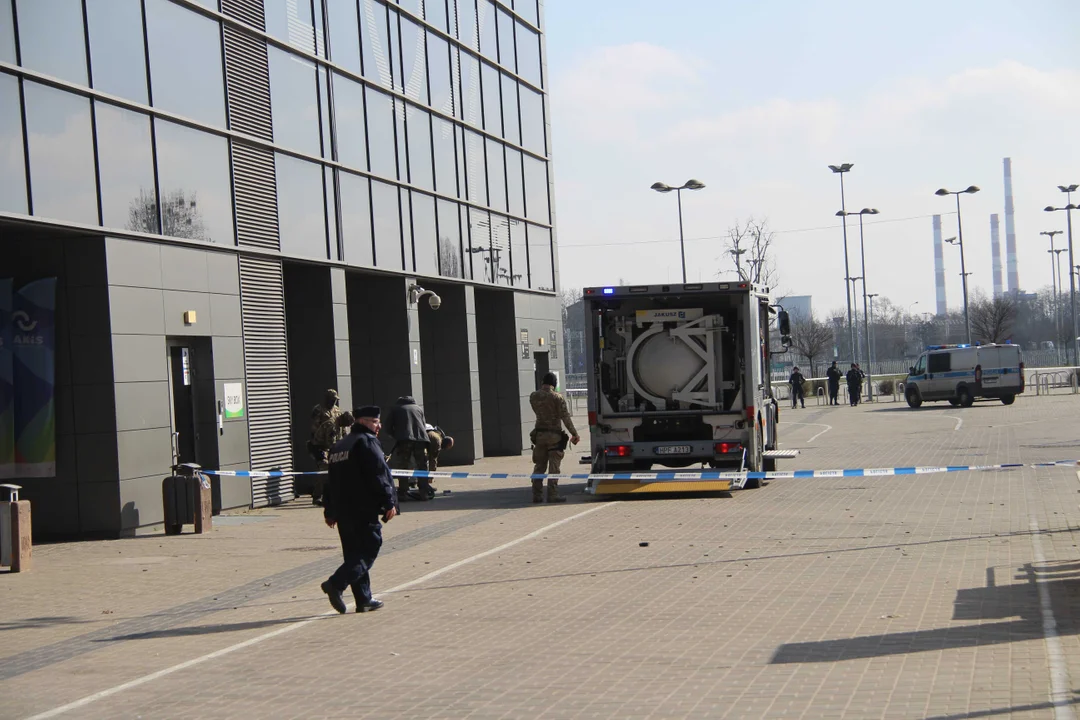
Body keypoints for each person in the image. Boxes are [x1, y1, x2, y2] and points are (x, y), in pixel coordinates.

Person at [321, 405, 397, 614]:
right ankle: (336, 584)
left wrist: (329, 511)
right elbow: (379, 475)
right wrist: (389, 502)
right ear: (362, 422)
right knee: (369, 547)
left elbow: (330, 482)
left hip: (344, 511)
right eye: (374, 422)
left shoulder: (339, 446)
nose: (379, 425)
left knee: (354, 553)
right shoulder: (366, 442)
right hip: (363, 508)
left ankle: (364, 599)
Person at [529, 372, 580, 503]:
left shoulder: (534, 396)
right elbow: (565, 417)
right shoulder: (557, 397)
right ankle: (552, 495)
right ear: (554, 383)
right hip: (554, 436)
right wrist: (574, 433)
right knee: (554, 467)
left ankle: (537, 494)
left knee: (539, 465)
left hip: (539, 435)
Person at [387, 395, 431, 501]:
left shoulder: (396, 409)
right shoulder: (418, 408)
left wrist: (396, 436)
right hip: (421, 440)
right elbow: (423, 424)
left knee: (403, 467)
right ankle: (424, 491)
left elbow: (388, 427)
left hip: (404, 440)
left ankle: (403, 492)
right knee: (422, 466)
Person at [309, 389, 342, 506]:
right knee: (323, 469)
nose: (334, 402)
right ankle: (317, 496)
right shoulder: (319, 410)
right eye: (332, 400)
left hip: (335, 444)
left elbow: (341, 427)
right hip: (321, 445)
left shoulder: (337, 410)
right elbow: (314, 429)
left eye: (335, 400)